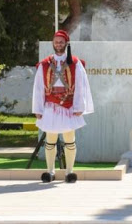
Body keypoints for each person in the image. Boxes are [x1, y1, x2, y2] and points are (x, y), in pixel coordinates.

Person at [32, 29, 94, 183]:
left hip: (68, 105)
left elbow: (81, 85)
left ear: (66, 43)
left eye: (61, 42)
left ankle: (69, 172)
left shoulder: (75, 62)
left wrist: (80, 106)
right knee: (50, 139)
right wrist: (38, 109)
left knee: (69, 139)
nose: (58, 44)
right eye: (56, 41)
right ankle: (50, 171)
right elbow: (39, 87)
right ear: (53, 43)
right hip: (50, 105)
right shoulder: (45, 64)